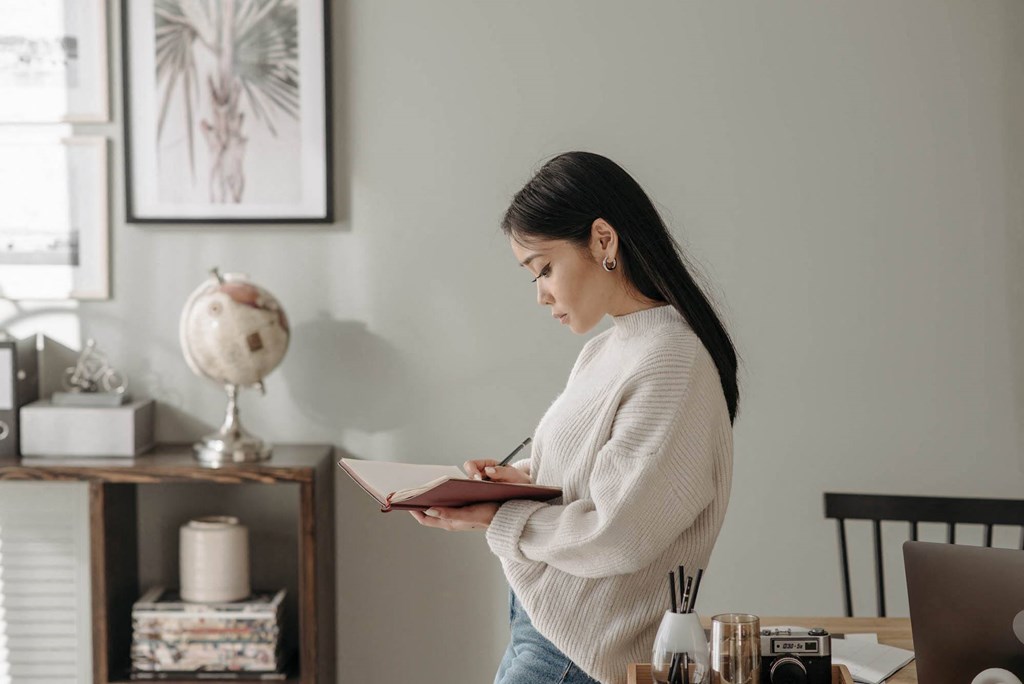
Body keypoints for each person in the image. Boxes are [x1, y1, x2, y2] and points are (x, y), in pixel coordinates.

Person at [411, 151, 739, 684]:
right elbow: (590, 488)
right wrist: (517, 485)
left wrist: (498, 518)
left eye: (544, 268)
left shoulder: (673, 361)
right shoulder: (607, 351)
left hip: (575, 655)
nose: (541, 294)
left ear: (603, 240)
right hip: (539, 628)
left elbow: (622, 534)